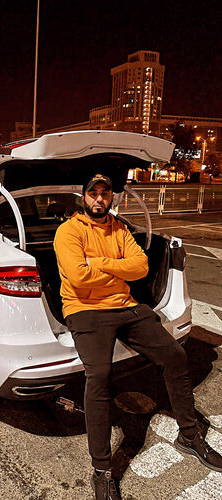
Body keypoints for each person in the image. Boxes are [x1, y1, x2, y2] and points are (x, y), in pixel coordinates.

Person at [53, 174, 222, 500]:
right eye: (93, 193)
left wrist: (99, 263)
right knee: (99, 376)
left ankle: (188, 435)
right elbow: (77, 277)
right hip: (85, 310)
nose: (99, 199)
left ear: (111, 197)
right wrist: (118, 267)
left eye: (105, 193)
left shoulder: (119, 228)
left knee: (175, 356)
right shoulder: (69, 231)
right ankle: (102, 471)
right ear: (83, 197)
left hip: (125, 305)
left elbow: (141, 267)